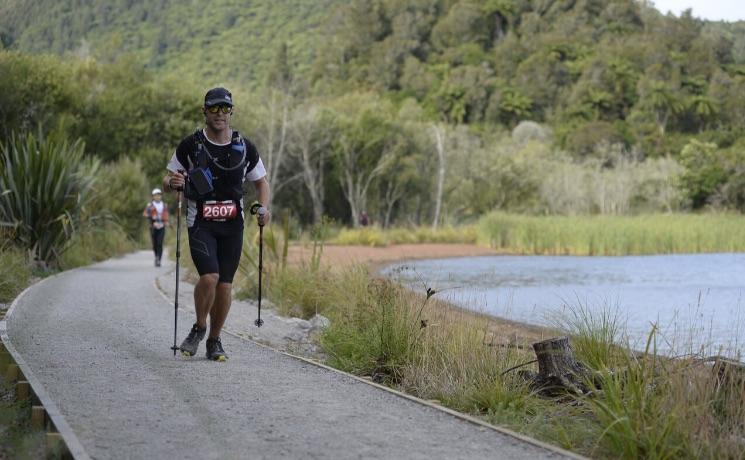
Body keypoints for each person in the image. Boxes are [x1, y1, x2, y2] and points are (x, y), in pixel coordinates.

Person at [163, 87, 270, 361]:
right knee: (209, 277)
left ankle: (214, 340)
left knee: (224, 285)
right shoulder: (191, 145)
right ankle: (199, 326)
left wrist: (263, 207)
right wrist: (173, 182)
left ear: (231, 111)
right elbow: (168, 178)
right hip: (201, 222)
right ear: (205, 111)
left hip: (233, 225)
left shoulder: (245, 147)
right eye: (214, 108)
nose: (220, 114)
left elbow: (261, 182)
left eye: (225, 108)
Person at [143, 188, 169, 267]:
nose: (157, 197)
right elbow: (145, 214)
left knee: (159, 243)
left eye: (159, 195)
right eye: (156, 195)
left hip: (161, 226)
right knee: (154, 244)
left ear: (161, 196)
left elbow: (166, 215)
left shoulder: (164, 205)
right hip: (153, 226)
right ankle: (156, 256)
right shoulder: (150, 205)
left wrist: (166, 221)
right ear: (153, 197)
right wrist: (151, 216)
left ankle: (158, 259)